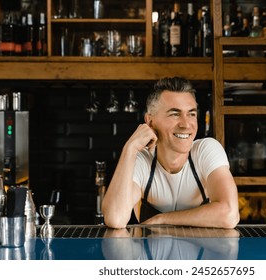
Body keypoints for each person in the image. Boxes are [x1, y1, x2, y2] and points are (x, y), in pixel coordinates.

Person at [102, 76, 240, 229]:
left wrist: (163, 219)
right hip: (151, 253)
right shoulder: (142, 161)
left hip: (203, 253)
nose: (186, 124)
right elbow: (115, 218)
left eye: (191, 114)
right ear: (150, 121)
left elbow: (229, 214)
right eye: (175, 114)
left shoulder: (205, 150)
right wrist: (130, 148)